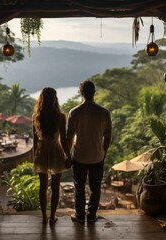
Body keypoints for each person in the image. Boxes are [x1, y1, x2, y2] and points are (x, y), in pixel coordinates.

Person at [67, 80, 112, 223]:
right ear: (94, 93)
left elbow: (69, 138)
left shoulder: (74, 112)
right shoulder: (104, 112)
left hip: (80, 157)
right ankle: (91, 215)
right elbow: (108, 136)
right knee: (95, 187)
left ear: (81, 93)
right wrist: (103, 152)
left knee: (79, 187)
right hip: (97, 157)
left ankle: (80, 215)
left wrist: (68, 155)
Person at [32, 87, 72, 226]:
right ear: (55, 99)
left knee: (43, 188)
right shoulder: (60, 117)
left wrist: (34, 157)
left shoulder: (36, 116)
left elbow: (35, 140)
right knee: (55, 187)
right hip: (55, 151)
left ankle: (44, 216)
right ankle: (52, 217)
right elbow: (63, 140)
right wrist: (68, 156)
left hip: (42, 151)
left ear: (41, 99)